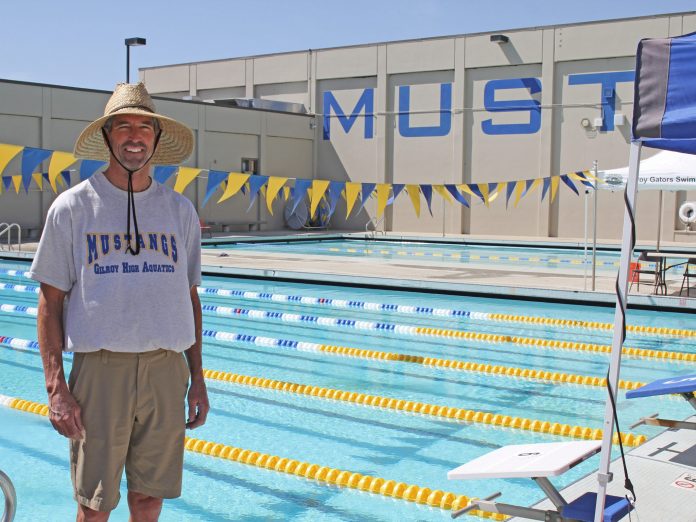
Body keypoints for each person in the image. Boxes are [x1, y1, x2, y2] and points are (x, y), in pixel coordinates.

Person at [29, 82, 210, 522]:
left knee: (149, 500)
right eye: (124, 126)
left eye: (145, 127)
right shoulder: (72, 208)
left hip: (166, 371)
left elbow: (189, 295)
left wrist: (197, 377)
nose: (135, 135)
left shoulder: (179, 210)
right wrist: (56, 389)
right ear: (107, 136)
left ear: (157, 139)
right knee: (94, 505)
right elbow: (49, 301)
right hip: (100, 370)